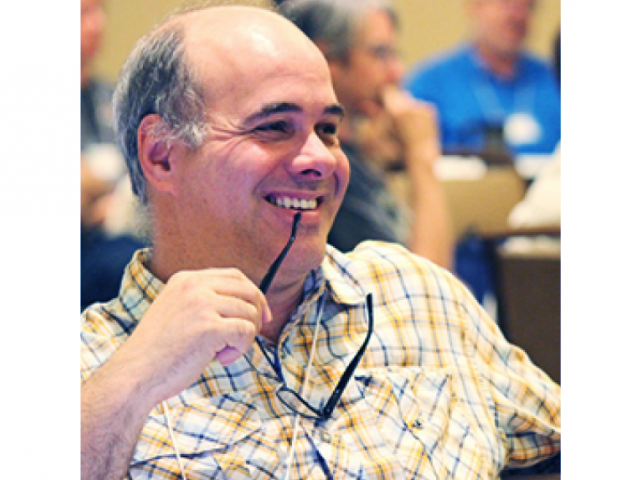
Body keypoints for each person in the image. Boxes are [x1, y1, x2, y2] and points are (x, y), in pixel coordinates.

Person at [81, 4, 560, 479]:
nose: (321, 159)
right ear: (162, 155)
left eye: (327, 130)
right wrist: (134, 379)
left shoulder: (417, 295)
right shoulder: (93, 367)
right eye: (274, 128)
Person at [279, 0, 454, 270]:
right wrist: (422, 155)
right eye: (380, 53)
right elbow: (421, 291)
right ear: (328, 61)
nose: (397, 72)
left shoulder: (356, 154)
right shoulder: (321, 171)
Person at [405, 0, 561, 158]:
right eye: (506, 4)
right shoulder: (430, 85)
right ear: (475, 6)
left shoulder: (554, 79)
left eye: (527, 6)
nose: (517, 15)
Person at [81, 0, 145, 310]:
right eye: (81, 14)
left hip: (126, 235)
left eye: (96, 12)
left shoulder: (115, 98)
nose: (94, 25)